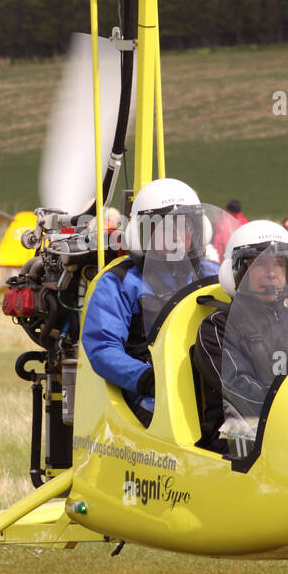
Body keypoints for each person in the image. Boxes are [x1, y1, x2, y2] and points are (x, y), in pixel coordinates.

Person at [82, 178, 218, 425]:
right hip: (149, 391)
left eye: (183, 227)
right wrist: (147, 379)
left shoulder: (213, 276)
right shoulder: (119, 282)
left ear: (198, 231)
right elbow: (103, 348)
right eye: (164, 228)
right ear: (143, 233)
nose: (175, 236)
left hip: (208, 385)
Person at [193, 221, 288, 449]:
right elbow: (238, 389)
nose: (271, 273)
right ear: (237, 271)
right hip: (239, 443)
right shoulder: (218, 327)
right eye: (260, 265)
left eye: (280, 264)